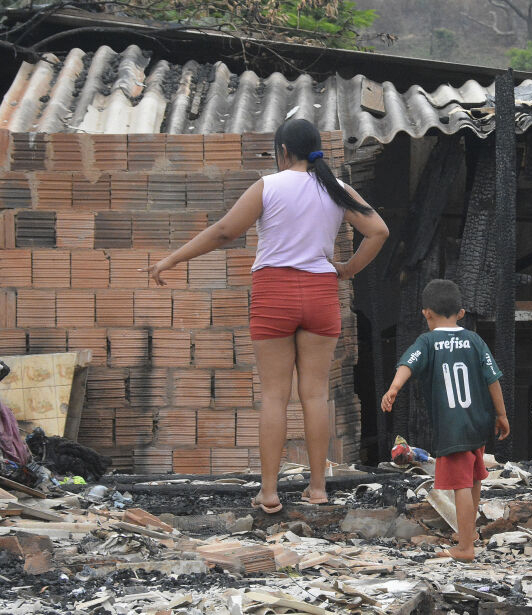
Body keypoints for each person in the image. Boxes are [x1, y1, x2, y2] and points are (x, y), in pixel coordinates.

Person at [144, 119, 389, 514]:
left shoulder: (268, 186)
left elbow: (224, 232)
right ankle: (318, 489)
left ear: (282, 151)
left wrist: (172, 259)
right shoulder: (337, 190)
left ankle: (270, 493)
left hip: (273, 293)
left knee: (274, 396)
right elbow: (378, 231)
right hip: (321, 293)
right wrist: (347, 269)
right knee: (315, 395)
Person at [382, 279, 510, 561]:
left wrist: (394, 388)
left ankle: (465, 548)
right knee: (475, 477)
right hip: (478, 421)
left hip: (452, 428)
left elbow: (408, 363)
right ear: (461, 313)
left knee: (461, 485)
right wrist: (501, 414)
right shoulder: (475, 340)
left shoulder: (427, 341)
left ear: (426, 313)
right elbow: (493, 379)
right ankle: (470, 533)